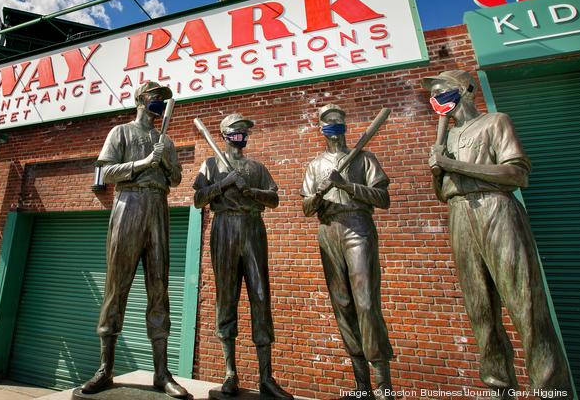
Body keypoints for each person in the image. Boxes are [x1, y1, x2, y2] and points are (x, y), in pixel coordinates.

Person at [423, 70, 572, 398]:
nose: (435, 98)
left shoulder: (495, 122)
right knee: (479, 309)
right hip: (459, 215)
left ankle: (551, 389)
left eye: (441, 90)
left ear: (464, 89)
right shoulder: (445, 138)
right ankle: (498, 387)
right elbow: (443, 191)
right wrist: (439, 170)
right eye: (432, 94)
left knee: (525, 305)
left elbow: (516, 173)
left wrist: (454, 165)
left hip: (497, 209)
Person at [81, 81, 187, 398]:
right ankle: (105, 369)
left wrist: (163, 159)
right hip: (128, 204)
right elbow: (108, 173)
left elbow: (177, 178)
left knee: (159, 288)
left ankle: (161, 372)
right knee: (117, 287)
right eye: (156, 98)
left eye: (163, 101)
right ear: (141, 100)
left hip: (157, 206)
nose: (160, 104)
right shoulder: (120, 133)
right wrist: (142, 163)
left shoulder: (165, 141)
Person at [192, 113, 294, 399]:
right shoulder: (211, 164)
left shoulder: (256, 167)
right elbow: (199, 199)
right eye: (237, 131)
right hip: (224, 227)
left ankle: (266, 377)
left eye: (245, 131)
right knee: (227, 297)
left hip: (252, 228)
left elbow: (274, 199)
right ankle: (230, 373)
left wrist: (251, 190)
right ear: (225, 134)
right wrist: (224, 183)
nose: (243, 135)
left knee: (260, 296)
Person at [301, 104, 394, 398]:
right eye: (328, 123)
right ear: (321, 128)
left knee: (365, 302)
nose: (334, 127)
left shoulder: (365, 158)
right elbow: (305, 207)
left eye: (339, 122)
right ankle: (362, 385)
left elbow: (383, 199)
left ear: (345, 125)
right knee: (342, 304)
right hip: (328, 229)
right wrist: (319, 194)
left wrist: (348, 186)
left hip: (358, 226)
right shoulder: (315, 166)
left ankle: (383, 384)